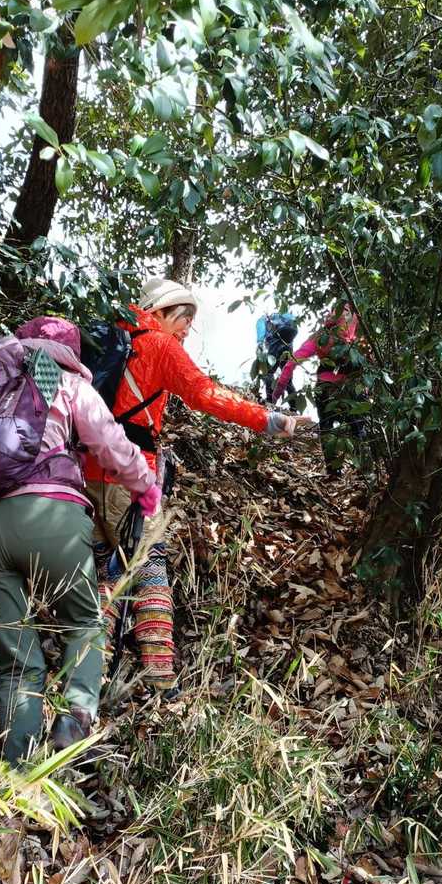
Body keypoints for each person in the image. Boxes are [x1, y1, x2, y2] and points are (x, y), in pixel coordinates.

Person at [0, 317, 160, 762]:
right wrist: (145, 486)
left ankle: (18, 771)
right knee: (83, 624)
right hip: (50, 517)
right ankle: (73, 722)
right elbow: (110, 442)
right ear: (72, 352)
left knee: (16, 662)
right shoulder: (59, 377)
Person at [84, 273, 307, 694]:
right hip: (130, 475)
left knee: (108, 569)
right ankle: (159, 676)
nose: (188, 329)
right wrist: (269, 420)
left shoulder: (113, 340)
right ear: (161, 312)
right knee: (149, 568)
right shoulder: (159, 345)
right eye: (184, 318)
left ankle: (86, 673)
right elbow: (205, 394)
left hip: (88, 473)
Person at [273, 305, 366, 478]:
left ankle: (333, 471)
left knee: (326, 427)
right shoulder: (355, 336)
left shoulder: (319, 337)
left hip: (325, 388)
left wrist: (277, 392)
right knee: (358, 427)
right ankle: (364, 470)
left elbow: (291, 363)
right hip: (351, 389)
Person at [254, 312, 299, 401]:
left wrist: (260, 342)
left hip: (275, 344)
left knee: (268, 372)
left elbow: (261, 328)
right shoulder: (284, 318)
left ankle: (270, 399)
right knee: (287, 377)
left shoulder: (264, 319)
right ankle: (294, 405)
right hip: (288, 347)